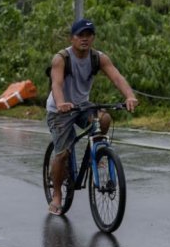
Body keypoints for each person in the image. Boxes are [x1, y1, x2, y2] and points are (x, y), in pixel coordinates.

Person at [46, 17, 138, 215]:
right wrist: (61, 103)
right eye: (81, 35)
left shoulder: (98, 58)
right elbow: (56, 84)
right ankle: (56, 195)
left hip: (82, 106)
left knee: (104, 118)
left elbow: (116, 77)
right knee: (62, 154)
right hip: (59, 110)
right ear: (72, 38)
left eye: (89, 35)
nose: (85, 39)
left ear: (93, 38)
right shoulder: (61, 58)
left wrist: (129, 96)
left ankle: (97, 154)